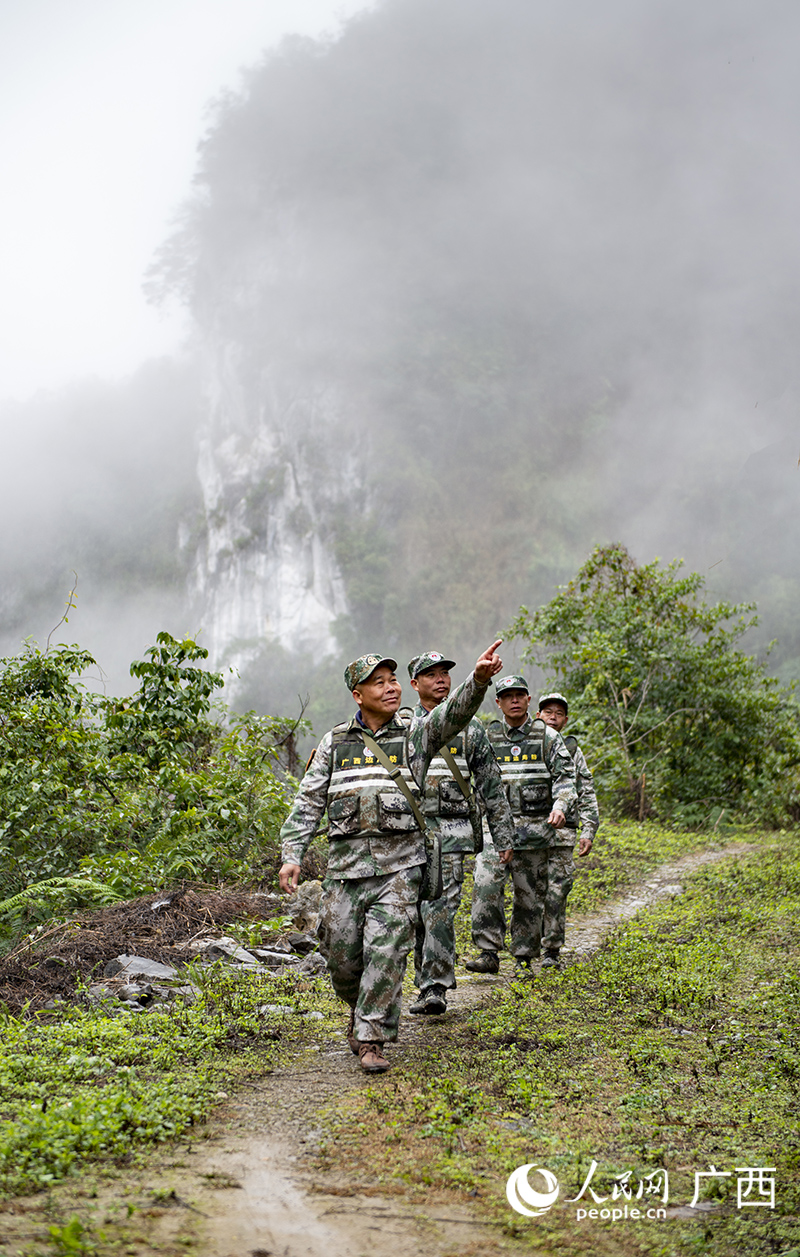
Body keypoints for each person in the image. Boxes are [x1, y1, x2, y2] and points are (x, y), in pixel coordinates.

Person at [278, 640, 504, 1074]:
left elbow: (453, 714)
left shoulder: (416, 735)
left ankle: (370, 1037)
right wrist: (292, 854)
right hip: (345, 871)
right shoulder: (334, 743)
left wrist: (477, 681)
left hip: (401, 867)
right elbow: (308, 801)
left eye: (393, 680)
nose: (391, 688)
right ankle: (360, 1007)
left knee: (387, 951)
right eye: (378, 683)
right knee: (342, 958)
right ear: (357, 695)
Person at [406, 651, 515, 1016]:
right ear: (414, 684)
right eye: (431, 674)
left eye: (445, 674)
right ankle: (424, 978)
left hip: (450, 833)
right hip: (406, 836)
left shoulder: (472, 731)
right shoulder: (402, 726)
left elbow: (491, 786)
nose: (441, 680)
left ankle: (434, 987)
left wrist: (503, 837)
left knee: (439, 909)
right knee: (416, 913)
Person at [466, 674, 576, 975]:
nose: (514, 700)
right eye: (507, 696)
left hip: (535, 832)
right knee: (486, 886)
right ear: (498, 702)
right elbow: (472, 779)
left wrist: (560, 805)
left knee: (529, 896)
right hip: (494, 831)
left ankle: (524, 957)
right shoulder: (487, 738)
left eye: (520, 695)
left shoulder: (547, 737)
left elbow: (566, 779)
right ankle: (488, 952)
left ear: (529, 700)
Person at [537, 691, 600, 969]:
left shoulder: (574, 752)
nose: (553, 717)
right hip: (530, 832)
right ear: (538, 715)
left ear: (565, 720)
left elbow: (585, 790)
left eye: (558, 713)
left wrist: (589, 829)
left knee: (558, 890)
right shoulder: (528, 744)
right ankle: (523, 951)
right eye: (548, 711)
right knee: (530, 891)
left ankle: (551, 949)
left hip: (563, 834)